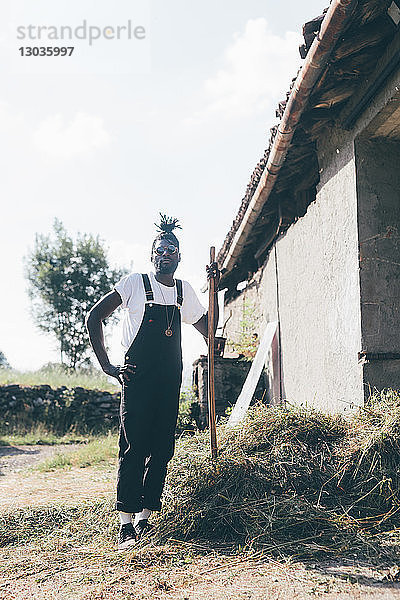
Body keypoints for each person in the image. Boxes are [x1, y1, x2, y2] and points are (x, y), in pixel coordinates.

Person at [86, 215, 219, 550]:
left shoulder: (184, 292)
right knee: (133, 448)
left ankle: (146, 517)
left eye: (171, 250)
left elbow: (210, 329)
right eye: (160, 249)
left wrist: (212, 286)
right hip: (137, 378)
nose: (166, 254)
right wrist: (107, 366)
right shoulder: (134, 283)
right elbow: (94, 317)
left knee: (162, 449)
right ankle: (125, 524)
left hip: (168, 381)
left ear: (179, 257)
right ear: (152, 254)